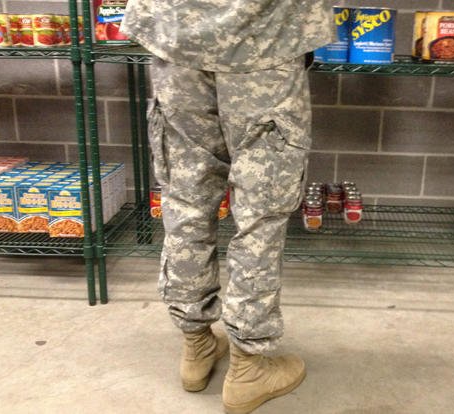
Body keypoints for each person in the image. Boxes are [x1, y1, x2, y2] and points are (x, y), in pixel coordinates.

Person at [121, 1, 335, 413]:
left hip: (177, 35)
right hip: (266, 37)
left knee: (186, 201)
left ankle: (196, 345)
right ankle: (248, 367)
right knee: (260, 216)